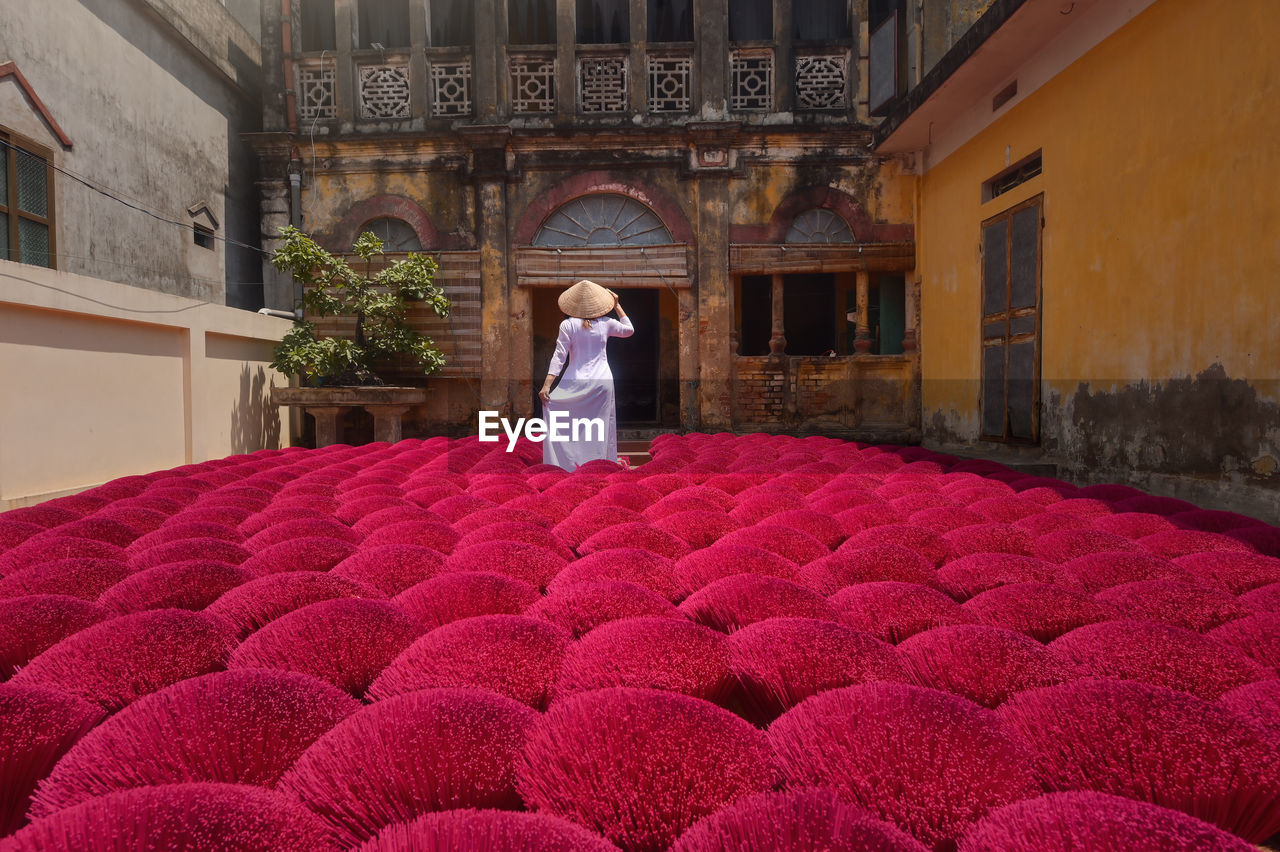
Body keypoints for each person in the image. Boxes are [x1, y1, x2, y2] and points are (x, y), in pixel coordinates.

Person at [538, 279, 633, 470]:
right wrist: (617, 305)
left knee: (568, 422)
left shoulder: (568, 325)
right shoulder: (606, 323)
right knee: (600, 427)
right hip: (602, 382)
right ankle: (599, 466)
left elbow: (559, 356)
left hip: (575, 382)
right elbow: (629, 330)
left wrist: (547, 385)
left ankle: (569, 464)